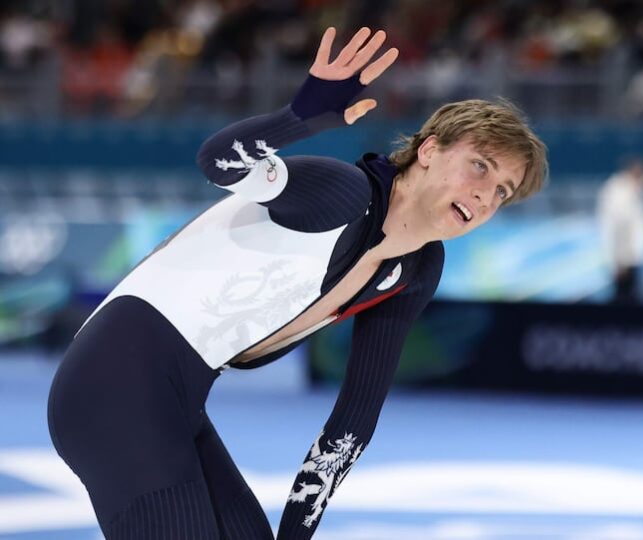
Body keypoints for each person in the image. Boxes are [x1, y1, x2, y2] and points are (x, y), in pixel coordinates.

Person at [47, 26, 547, 540]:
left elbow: (353, 420)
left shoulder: (415, 268)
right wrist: (298, 119)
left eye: (503, 191)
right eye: (480, 167)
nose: (487, 195)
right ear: (428, 150)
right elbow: (218, 161)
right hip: (114, 383)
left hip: (176, 400)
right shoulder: (341, 194)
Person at [596, 157, 643, 303]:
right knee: (623, 298)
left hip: (632, 257)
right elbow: (618, 228)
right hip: (623, 259)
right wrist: (619, 262)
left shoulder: (635, 189)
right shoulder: (618, 191)